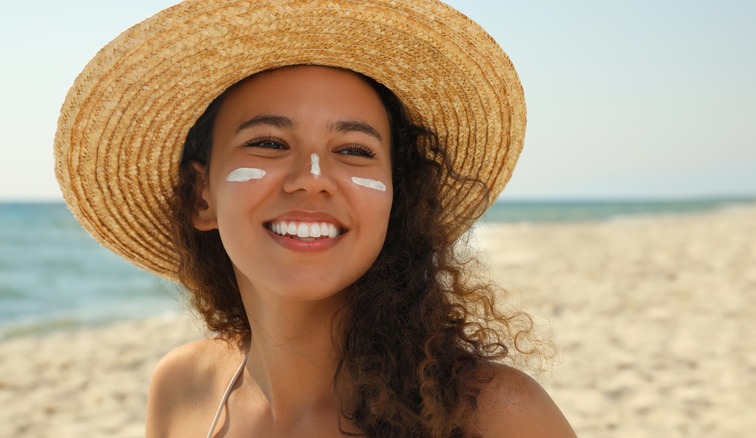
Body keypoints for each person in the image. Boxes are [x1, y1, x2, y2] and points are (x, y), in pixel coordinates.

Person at [55, 1, 576, 436]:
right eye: (267, 142)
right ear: (201, 197)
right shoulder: (179, 389)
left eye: (353, 150)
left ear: (397, 199)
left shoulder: (494, 415)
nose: (312, 176)